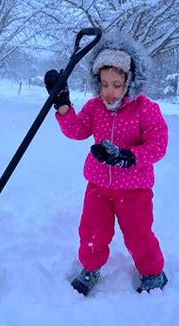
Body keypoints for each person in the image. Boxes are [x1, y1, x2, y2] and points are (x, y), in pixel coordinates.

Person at [44, 32, 168, 296]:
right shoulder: (95, 107)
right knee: (92, 232)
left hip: (134, 189)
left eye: (116, 84)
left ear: (130, 82)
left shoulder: (145, 110)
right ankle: (90, 269)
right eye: (104, 84)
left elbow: (158, 145)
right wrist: (63, 105)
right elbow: (77, 131)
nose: (109, 92)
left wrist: (128, 156)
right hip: (98, 186)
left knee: (138, 235)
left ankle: (152, 272)